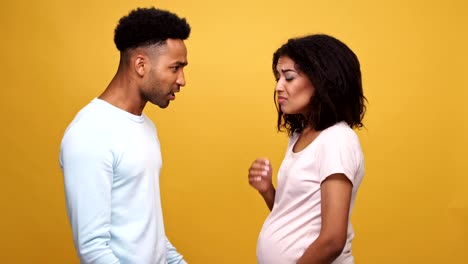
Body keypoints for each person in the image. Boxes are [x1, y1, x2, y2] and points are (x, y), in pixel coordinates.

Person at [59, 7, 190, 264]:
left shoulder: (146, 127)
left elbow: (146, 229)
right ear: (141, 64)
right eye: (175, 68)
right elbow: (93, 248)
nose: (182, 80)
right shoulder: (90, 133)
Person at [248, 34, 367, 264]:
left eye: (289, 77)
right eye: (278, 77)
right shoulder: (299, 137)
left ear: (321, 81)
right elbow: (296, 218)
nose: (278, 87)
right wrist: (268, 191)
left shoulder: (337, 140)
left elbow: (333, 239)